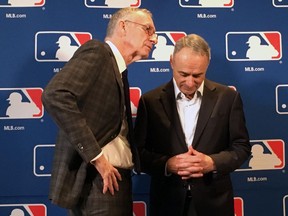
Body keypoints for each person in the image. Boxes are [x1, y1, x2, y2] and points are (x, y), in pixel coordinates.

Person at [42, 7, 157, 216]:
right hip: (99, 181)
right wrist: (97, 157)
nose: (155, 38)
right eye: (148, 29)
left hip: (109, 180)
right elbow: (55, 95)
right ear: (123, 27)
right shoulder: (98, 52)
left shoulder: (116, 68)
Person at [134, 34, 251, 216]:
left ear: (207, 65)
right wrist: (168, 164)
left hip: (215, 204)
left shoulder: (228, 98)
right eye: (183, 74)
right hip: (167, 203)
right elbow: (138, 153)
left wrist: (212, 162)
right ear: (172, 62)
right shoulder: (150, 101)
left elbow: (241, 147)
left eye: (198, 75)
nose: (190, 82)